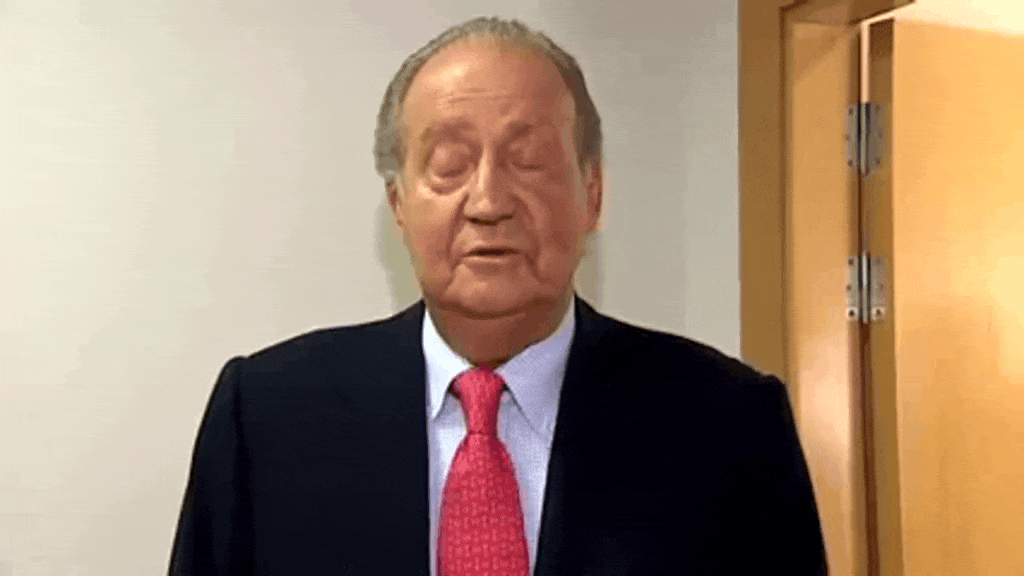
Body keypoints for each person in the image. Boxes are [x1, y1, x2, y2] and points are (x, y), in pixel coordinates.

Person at [168, 16, 827, 575]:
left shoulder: (729, 425)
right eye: (449, 165)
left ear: (593, 194)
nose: (488, 202)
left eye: (530, 160)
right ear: (398, 203)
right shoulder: (266, 417)